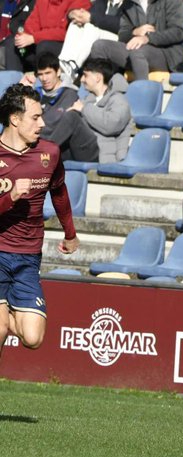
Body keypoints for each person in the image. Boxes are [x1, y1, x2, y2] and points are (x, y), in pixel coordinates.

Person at [0, 84, 79, 363]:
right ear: (15, 119)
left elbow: (58, 191)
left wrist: (70, 233)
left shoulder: (50, 153)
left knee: (33, 338)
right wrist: (10, 198)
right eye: (35, 117)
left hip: (28, 257)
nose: (42, 123)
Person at [44, 57, 132, 163]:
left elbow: (112, 124)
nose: (81, 80)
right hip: (81, 149)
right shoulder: (87, 100)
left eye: (85, 75)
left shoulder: (118, 100)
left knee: (71, 117)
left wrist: (83, 109)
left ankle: (42, 153)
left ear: (98, 78)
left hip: (100, 152)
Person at [88, 0, 183, 81]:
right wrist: (135, 31)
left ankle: (141, 99)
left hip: (169, 54)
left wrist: (148, 38)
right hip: (135, 50)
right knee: (99, 46)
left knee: (138, 52)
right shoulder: (129, 3)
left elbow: (178, 32)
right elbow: (123, 33)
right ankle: (101, 97)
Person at [4, 0, 89, 72]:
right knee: (12, 42)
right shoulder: (42, 1)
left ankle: (42, 82)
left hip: (66, 47)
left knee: (44, 46)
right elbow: (32, 23)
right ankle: (13, 85)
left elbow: (67, 32)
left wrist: (35, 38)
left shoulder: (79, 2)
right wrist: (24, 36)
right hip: (40, 42)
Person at [57, 0, 124, 80]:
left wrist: (91, 17)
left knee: (91, 28)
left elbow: (121, 25)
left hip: (120, 39)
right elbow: (87, 15)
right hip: (99, 35)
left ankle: (75, 65)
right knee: (75, 24)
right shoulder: (102, 2)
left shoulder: (129, 4)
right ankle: (63, 61)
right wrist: (75, 15)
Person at [23, 53, 79, 139]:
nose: (44, 78)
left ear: (58, 72)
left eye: (48, 73)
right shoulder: (35, 93)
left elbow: (52, 125)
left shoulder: (70, 95)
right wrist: (21, 92)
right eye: (40, 74)